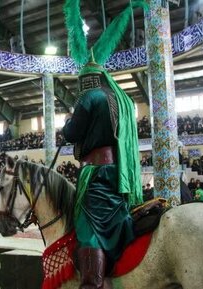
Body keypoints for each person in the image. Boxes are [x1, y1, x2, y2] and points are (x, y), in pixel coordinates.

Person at [62, 2, 145, 287]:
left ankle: (92, 282)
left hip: (95, 174)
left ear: (87, 78)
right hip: (117, 172)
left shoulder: (89, 97)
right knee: (116, 220)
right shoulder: (120, 99)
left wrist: (67, 122)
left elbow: (71, 134)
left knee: (88, 229)